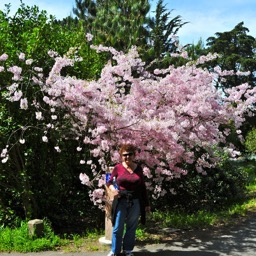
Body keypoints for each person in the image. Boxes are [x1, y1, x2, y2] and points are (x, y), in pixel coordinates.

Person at [106, 144, 151, 256]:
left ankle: (127, 250)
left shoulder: (138, 168)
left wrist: (146, 204)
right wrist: (113, 190)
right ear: (121, 156)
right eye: (124, 155)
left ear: (134, 155)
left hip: (135, 201)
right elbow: (109, 182)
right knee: (118, 227)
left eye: (130, 154)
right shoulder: (118, 168)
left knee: (131, 226)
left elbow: (142, 187)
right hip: (121, 200)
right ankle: (115, 250)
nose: (127, 157)